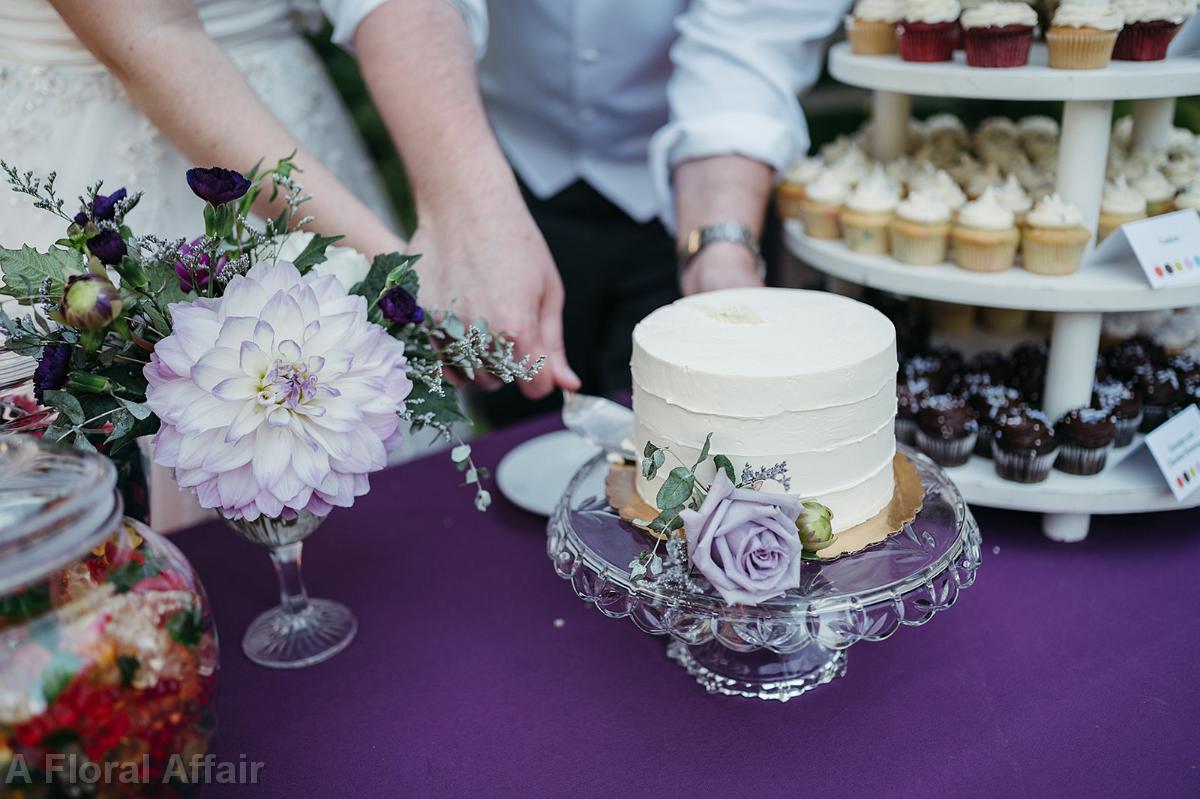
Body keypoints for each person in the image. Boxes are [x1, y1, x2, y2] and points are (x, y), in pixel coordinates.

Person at [0, 0, 574, 528]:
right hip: (95, 135)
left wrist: (476, 204)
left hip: (297, 126)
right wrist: (389, 276)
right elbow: (148, 33)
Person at [321, 0, 850, 420]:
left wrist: (721, 247)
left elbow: (750, 37)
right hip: (503, 177)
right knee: (518, 426)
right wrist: (469, 209)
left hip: (690, 189)